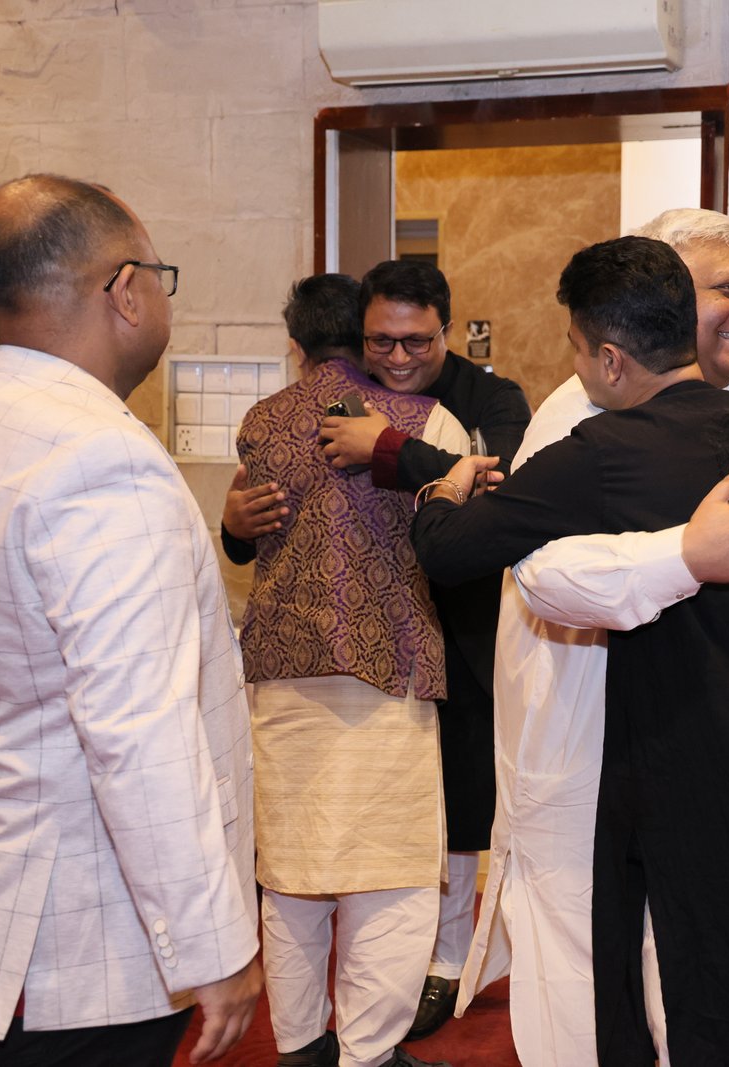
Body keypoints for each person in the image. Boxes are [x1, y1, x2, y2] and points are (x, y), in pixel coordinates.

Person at [412, 236, 729, 1064]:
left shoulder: (605, 451)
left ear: (608, 359)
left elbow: (448, 548)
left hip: (723, 780)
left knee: (714, 1010)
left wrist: (443, 486)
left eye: (576, 349)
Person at [0, 174, 262, 1065]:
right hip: (82, 932)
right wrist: (210, 943)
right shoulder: (102, 461)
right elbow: (139, 729)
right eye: (160, 278)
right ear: (125, 290)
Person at [452, 208, 729, 1065]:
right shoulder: (577, 415)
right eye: (725, 288)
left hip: (712, 748)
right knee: (583, 968)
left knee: (707, 970)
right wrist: (687, 554)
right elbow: (541, 571)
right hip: (586, 740)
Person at [229, 260, 531, 1041]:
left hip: (355, 657)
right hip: (391, 660)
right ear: (357, 335)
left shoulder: (481, 401)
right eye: (381, 342)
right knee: (384, 871)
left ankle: (321, 1032)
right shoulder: (395, 411)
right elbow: (267, 522)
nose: (397, 357)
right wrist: (234, 523)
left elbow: (500, 496)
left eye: (415, 342)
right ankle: (366, 1047)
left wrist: (389, 447)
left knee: (304, 869)